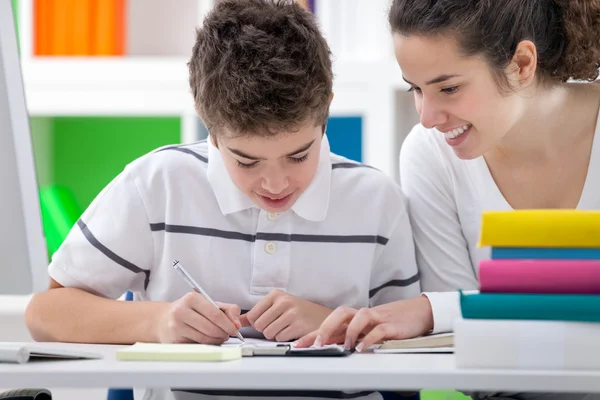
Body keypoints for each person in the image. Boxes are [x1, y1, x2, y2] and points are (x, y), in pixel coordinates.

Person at [24, 1, 420, 399]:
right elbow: (45, 314)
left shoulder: (377, 201)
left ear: (327, 107)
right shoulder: (157, 184)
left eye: (299, 155)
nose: (276, 183)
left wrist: (332, 325)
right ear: (207, 123)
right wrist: (159, 321)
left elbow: (413, 360)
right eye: (246, 161)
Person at [296, 0, 600, 398]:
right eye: (415, 89)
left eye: (449, 88)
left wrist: (432, 311)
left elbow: (462, 315)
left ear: (522, 64)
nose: (427, 116)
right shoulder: (429, 154)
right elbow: (472, 356)